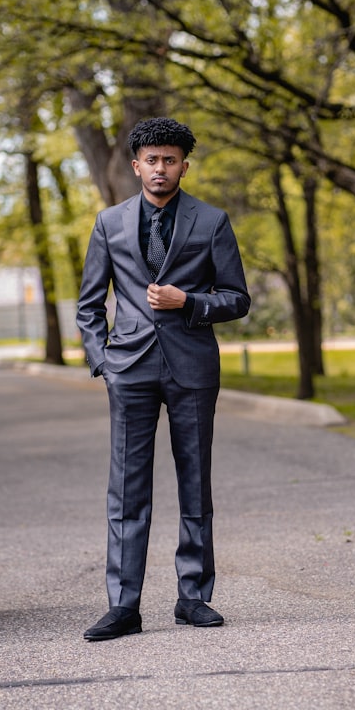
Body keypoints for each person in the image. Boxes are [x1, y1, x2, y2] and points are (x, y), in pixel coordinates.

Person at [76, 117, 251, 641]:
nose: (160, 168)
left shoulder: (212, 221)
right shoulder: (108, 223)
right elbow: (89, 305)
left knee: (195, 484)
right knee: (126, 492)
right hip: (128, 369)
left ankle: (193, 597)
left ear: (183, 165)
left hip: (192, 368)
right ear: (136, 166)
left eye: (169, 160)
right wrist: (103, 362)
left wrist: (189, 301)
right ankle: (123, 606)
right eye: (151, 160)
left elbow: (237, 298)